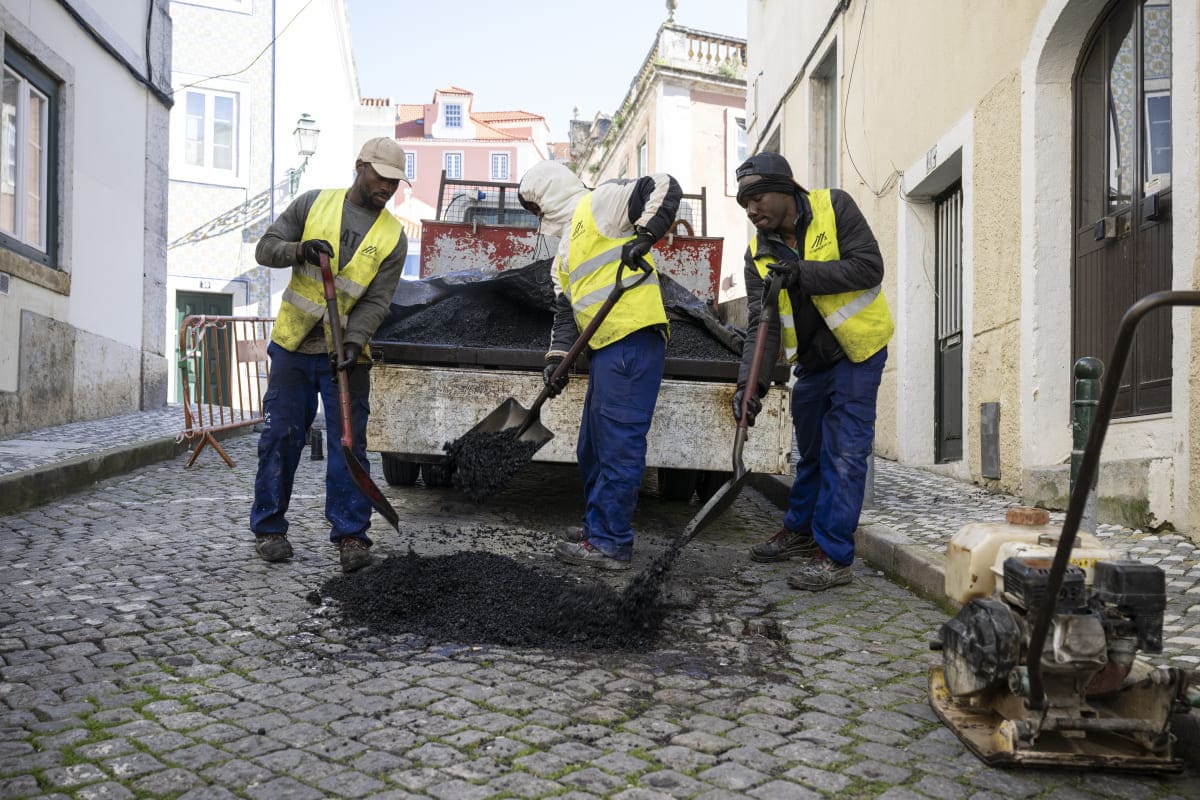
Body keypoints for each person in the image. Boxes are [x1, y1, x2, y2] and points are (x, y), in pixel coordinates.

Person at [732, 152, 893, 591]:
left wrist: (802, 273)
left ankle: (835, 557)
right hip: (813, 363)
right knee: (812, 455)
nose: (751, 209)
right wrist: (751, 386)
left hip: (857, 353)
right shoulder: (756, 256)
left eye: (758, 196)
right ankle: (801, 533)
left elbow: (868, 267)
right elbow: (758, 328)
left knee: (844, 453)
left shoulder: (835, 207)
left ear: (787, 189)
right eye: (744, 203)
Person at [249, 137, 409, 573]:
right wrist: (298, 250)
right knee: (281, 436)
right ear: (360, 166)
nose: (388, 188)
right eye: (381, 177)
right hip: (294, 348)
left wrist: (354, 343)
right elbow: (264, 248)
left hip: (346, 356)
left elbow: (377, 301)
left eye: (395, 182)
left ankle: (351, 536)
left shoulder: (394, 237)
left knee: (350, 445)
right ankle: (269, 529)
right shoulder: (312, 203)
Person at [517, 161, 682, 570]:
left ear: (549, 192)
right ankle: (597, 526)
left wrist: (645, 236)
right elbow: (563, 310)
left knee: (617, 448)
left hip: (633, 340)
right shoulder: (564, 253)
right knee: (590, 448)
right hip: (605, 351)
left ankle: (610, 543)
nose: (539, 220)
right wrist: (556, 360)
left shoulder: (601, 203)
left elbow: (663, 185)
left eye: (537, 209)